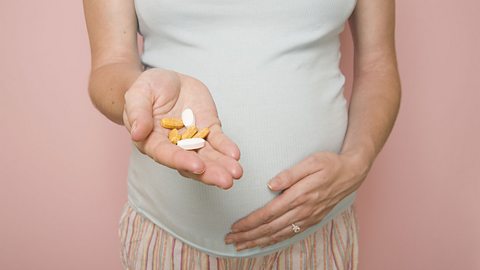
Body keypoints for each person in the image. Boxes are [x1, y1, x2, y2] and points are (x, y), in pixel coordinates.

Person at [83, 0, 401, 268]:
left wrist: (357, 162)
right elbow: (110, 64)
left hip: (315, 234)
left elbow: (378, 66)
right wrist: (139, 92)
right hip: (170, 240)